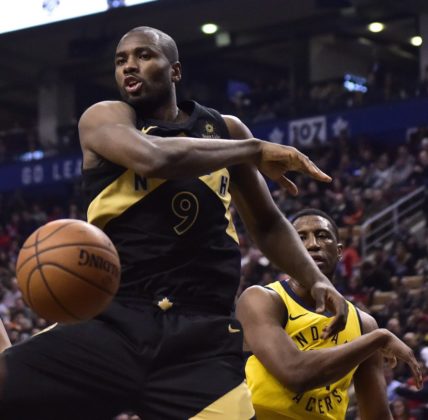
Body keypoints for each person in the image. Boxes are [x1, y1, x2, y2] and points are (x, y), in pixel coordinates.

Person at [0, 27, 348, 419]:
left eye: (144, 55)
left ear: (175, 71)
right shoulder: (104, 118)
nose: (130, 65)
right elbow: (154, 158)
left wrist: (315, 279)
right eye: (121, 60)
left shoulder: (226, 131)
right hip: (115, 318)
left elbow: (267, 224)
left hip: (200, 340)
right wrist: (254, 149)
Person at [238, 208, 422, 420]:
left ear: (339, 250)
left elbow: (377, 415)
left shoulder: (363, 324)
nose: (313, 244)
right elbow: (295, 373)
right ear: (288, 249)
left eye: (322, 235)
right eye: (301, 238)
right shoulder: (262, 299)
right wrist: (379, 338)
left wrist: (375, 338)